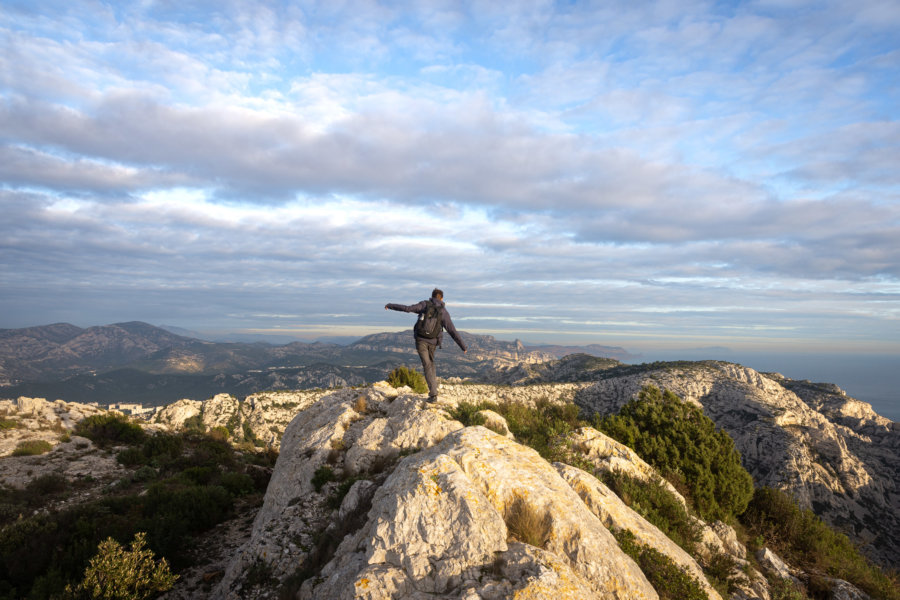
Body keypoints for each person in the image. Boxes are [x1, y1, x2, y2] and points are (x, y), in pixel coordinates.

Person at [385, 288, 467, 401]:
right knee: (431, 364)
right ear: (441, 298)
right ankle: (434, 392)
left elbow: (407, 309)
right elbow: (452, 330)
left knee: (427, 365)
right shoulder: (443, 311)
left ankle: (433, 394)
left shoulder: (424, 305)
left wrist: (390, 305)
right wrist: (463, 346)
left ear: (432, 296)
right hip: (433, 341)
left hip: (421, 340)